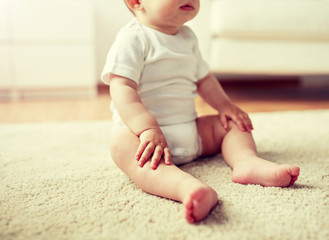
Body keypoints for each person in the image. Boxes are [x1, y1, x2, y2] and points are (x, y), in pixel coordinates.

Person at [101, 0, 300, 224]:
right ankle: (186, 187)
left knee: (233, 123)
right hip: (144, 140)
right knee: (120, 145)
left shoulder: (188, 37)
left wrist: (225, 106)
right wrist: (146, 128)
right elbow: (122, 87)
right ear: (137, 2)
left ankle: (247, 162)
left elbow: (204, 80)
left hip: (191, 131)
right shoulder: (133, 38)